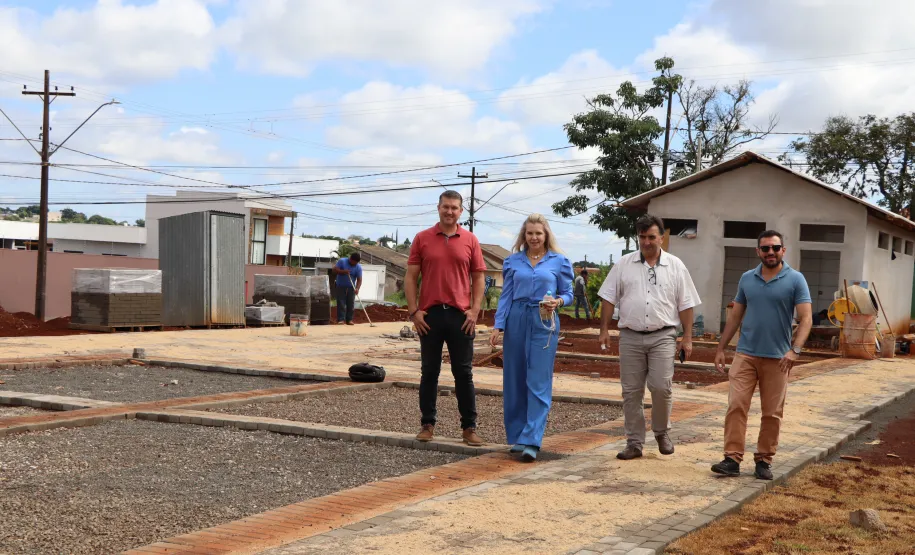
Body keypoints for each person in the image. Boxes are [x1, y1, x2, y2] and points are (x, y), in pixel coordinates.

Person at [711, 230, 812, 480]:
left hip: (778, 359)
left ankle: (764, 459)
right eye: (765, 248)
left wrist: (794, 350)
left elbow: (806, 318)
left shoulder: (796, 279)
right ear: (758, 252)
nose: (770, 252)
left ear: (783, 250)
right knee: (736, 405)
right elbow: (735, 315)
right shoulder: (747, 279)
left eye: (775, 248)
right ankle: (732, 458)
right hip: (745, 354)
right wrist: (721, 348)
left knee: (772, 412)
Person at [597, 214, 700, 461]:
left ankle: (662, 432)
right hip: (630, 336)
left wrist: (687, 337)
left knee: (661, 387)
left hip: (663, 336)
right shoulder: (623, 264)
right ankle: (634, 443)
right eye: (642, 237)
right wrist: (604, 329)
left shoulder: (676, 266)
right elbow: (609, 297)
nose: (646, 242)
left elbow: (686, 304)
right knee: (631, 392)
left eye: (651, 237)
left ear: (662, 237)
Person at [406, 190, 487, 447]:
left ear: (461, 211)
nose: (449, 211)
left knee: (463, 373)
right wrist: (414, 312)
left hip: (460, 316)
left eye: (454, 207)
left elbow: (478, 278)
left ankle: (469, 428)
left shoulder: (470, 240)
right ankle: (427, 424)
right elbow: (410, 277)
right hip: (429, 316)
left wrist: (474, 311)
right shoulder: (422, 238)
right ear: (438, 208)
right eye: (445, 207)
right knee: (429, 372)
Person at [490, 214, 573, 462]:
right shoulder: (512, 261)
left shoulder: (559, 261)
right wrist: (498, 325)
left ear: (546, 234)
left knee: (538, 380)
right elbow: (506, 295)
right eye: (529, 233)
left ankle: (532, 440)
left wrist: (558, 302)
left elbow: (568, 294)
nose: (534, 237)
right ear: (523, 236)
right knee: (514, 378)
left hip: (544, 319)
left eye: (538, 233)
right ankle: (518, 436)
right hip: (516, 317)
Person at [333, 252, 363, 325]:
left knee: (351, 304)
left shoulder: (358, 267)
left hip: (351, 287)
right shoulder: (342, 261)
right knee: (341, 303)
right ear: (350, 259)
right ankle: (341, 320)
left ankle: (349, 320)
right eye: (353, 262)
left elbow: (359, 279)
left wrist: (357, 288)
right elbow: (335, 270)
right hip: (340, 286)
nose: (354, 264)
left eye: (356, 263)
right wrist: (344, 271)